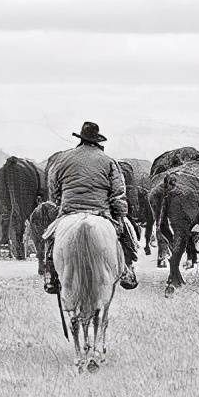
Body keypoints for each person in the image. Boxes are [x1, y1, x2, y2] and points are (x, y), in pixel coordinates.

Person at [43, 122, 138, 294]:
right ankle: (127, 269)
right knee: (127, 235)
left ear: (80, 139)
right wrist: (120, 214)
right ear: (97, 141)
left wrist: (60, 204)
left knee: (50, 237)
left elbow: (53, 189)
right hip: (101, 212)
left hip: (69, 211)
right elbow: (118, 193)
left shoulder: (61, 159)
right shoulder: (109, 161)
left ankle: (50, 274)